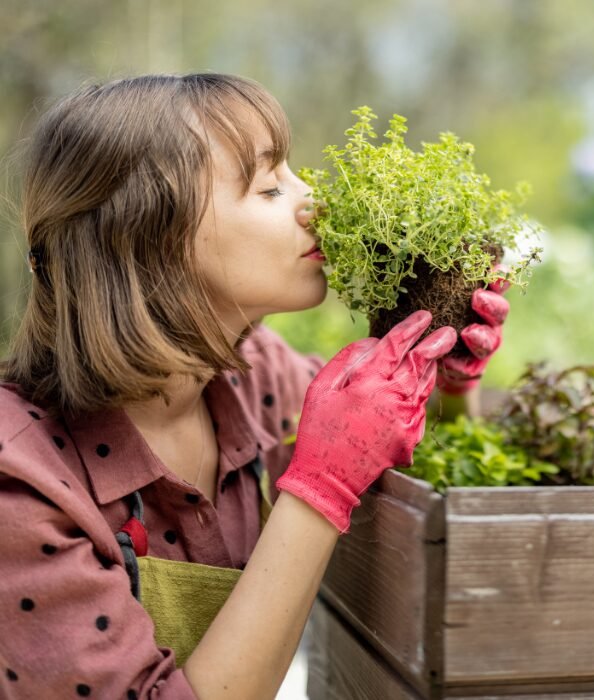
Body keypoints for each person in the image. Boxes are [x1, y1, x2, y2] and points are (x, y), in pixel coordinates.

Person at [0, 73, 510, 699]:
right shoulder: (19, 481)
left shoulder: (253, 374)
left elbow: (393, 464)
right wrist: (319, 489)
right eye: (269, 187)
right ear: (151, 239)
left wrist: (443, 386)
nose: (314, 202)